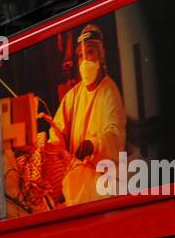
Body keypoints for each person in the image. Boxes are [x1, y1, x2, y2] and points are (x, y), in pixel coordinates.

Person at [50, 23, 127, 204]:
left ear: (101, 55)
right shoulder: (73, 95)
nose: (84, 61)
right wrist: (55, 154)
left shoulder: (109, 91)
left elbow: (114, 134)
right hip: (77, 175)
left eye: (90, 52)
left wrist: (93, 145)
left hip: (103, 179)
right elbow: (56, 130)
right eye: (80, 56)